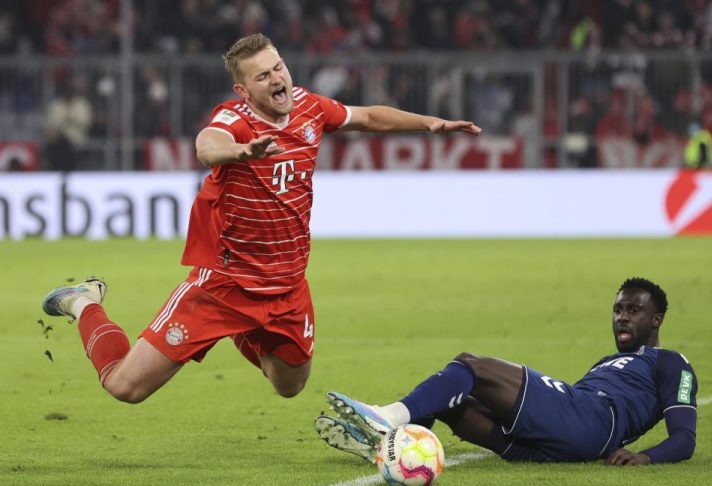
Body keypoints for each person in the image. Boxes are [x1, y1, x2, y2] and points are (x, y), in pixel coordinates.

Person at [41, 33, 481, 404]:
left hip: (287, 286)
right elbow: (205, 145)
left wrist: (429, 123)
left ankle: (245, 333)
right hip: (225, 285)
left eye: (279, 67)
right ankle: (84, 302)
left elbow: (366, 117)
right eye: (263, 75)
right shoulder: (234, 120)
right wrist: (240, 152)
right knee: (125, 387)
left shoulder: (310, 108)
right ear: (244, 90)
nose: (278, 79)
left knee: (289, 385)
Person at [316, 277, 698, 465]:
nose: (622, 317)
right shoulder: (605, 363)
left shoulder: (671, 363)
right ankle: (386, 450)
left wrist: (646, 457)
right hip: (557, 444)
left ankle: (385, 418)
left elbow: (684, 438)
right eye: (618, 309)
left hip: (592, 418)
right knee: (447, 401)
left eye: (633, 310)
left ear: (657, 319)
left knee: (470, 365)